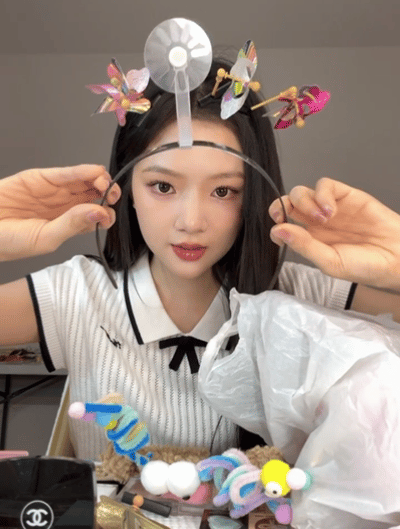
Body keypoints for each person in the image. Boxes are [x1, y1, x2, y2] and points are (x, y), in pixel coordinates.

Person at [0, 59, 399, 461]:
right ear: (127, 188)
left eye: (223, 191)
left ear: (253, 196)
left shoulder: (301, 297)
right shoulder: (77, 294)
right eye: (163, 186)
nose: (191, 222)